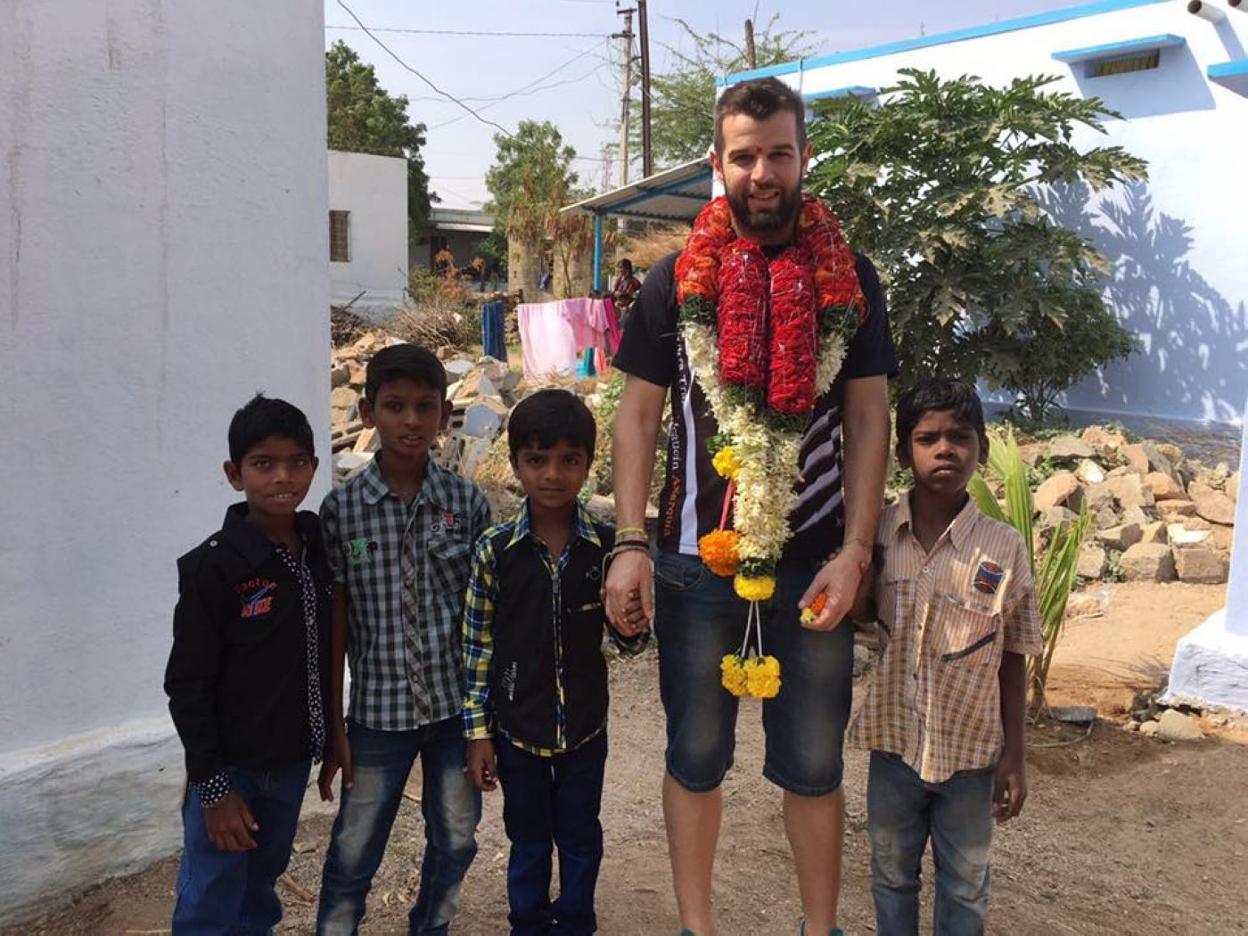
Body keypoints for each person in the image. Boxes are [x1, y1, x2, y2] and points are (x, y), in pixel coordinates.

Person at [603, 76, 898, 936]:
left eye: (778, 154)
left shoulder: (852, 276)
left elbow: (869, 415)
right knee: (695, 756)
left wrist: (857, 552)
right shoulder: (671, 282)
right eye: (744, 156)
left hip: (816, 565)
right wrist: (629, 539)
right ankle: (698, 928)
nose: (761, 172)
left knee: (811, 763)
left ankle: (818, 929)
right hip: (696, 563)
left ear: (804, 157)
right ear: (716, 164)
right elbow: (637, 416)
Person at [849, 379, 1041, 936]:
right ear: (905, 450)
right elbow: (856, 616)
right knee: (890, 876)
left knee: (965, 885)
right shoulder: (878, 533)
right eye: (927, 438)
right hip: (894, 748)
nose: (945, 450)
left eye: (960, 437)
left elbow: (1014, 654)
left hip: (972, 756)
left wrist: (1014, 757)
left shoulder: (1004, 547)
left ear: (980, 446)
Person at [315, 344, 493, 935]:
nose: (410, 421)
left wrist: (484, 723)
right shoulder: (342, 512)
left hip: (454, 713)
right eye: (394, 406)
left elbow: (483, 615)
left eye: (425, 407)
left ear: (445, 416)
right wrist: (336, 727)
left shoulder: (466, 504)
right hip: (375, 716)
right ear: (368, 413)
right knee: (354, 847)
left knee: (458, 838)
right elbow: (336, 621)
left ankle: (430, 927)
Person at [461, 389, 649, 935]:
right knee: (527, 838)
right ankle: (527, 922)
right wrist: (478, 733)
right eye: (537, 459)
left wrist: (632, 623)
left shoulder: (608, 548)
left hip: (586, 730)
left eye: (570, 459)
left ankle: (574, 922)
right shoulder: (496, 552)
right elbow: (477, 647)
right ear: (516, 462)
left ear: (588, 465)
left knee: (581, 835)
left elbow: (632, 643)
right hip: (517, 730)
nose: (552, 474)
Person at [164, 394, 331, 933]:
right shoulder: (213, 567)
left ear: (313, 466)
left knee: (260, 888)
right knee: (211, 896)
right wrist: (214, 790)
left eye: (296, 463)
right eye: (263, 465)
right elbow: (186, 684)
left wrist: (329, 739)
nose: (282, 478)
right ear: (235, 474)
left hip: (288, 765)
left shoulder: (316, 544)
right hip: (229, 770)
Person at [609, 258, 642, 327]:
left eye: (621, 268)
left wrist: (620, 295)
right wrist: (616, 294)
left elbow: (630, 294)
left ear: (627, 269)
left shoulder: (634, 281)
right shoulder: (619, 280)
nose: (620, 270)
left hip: (627, 308)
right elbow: (614, 292)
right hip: (617, 306)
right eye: (619, 268)